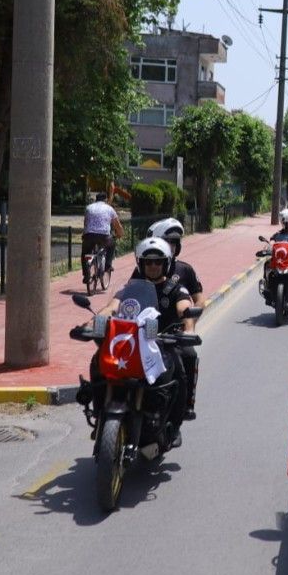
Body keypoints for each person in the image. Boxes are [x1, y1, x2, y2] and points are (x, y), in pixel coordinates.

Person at [91, 237, 195, 447]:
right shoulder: (131, 287)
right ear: (141, 264)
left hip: (163, 343)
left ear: (166, 263)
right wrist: (94, 320)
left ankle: (175, 424)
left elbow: (184, 306)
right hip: (131, 344)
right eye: (148, 262)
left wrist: (188, 327)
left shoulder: (176, 288)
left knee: (181, 370)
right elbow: (112, 306)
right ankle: (99, 411)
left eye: (157, 262)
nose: (153, 266)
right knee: (97, 362)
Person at [134, 217, 203, 420]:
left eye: (174, 242)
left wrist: (188, 327)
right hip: (141, 334)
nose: (153, 266)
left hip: (171, 335)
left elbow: (197, 301)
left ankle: (184, 407)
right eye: (167, 241)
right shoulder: (140, 272)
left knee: (188, 356)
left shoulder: (184, 270)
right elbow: (125, 299)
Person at [81, 192, 123, 285]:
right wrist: (119, 234)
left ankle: (86, 275)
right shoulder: (109, 209)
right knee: (112, 244)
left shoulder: (88, 208)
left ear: (96, 199)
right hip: (104, 237)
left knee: (85, 253)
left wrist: (84, 234)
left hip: (89, 235)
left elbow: (85, 223)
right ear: (106, 199)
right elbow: (117, 225)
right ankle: (108, 266)